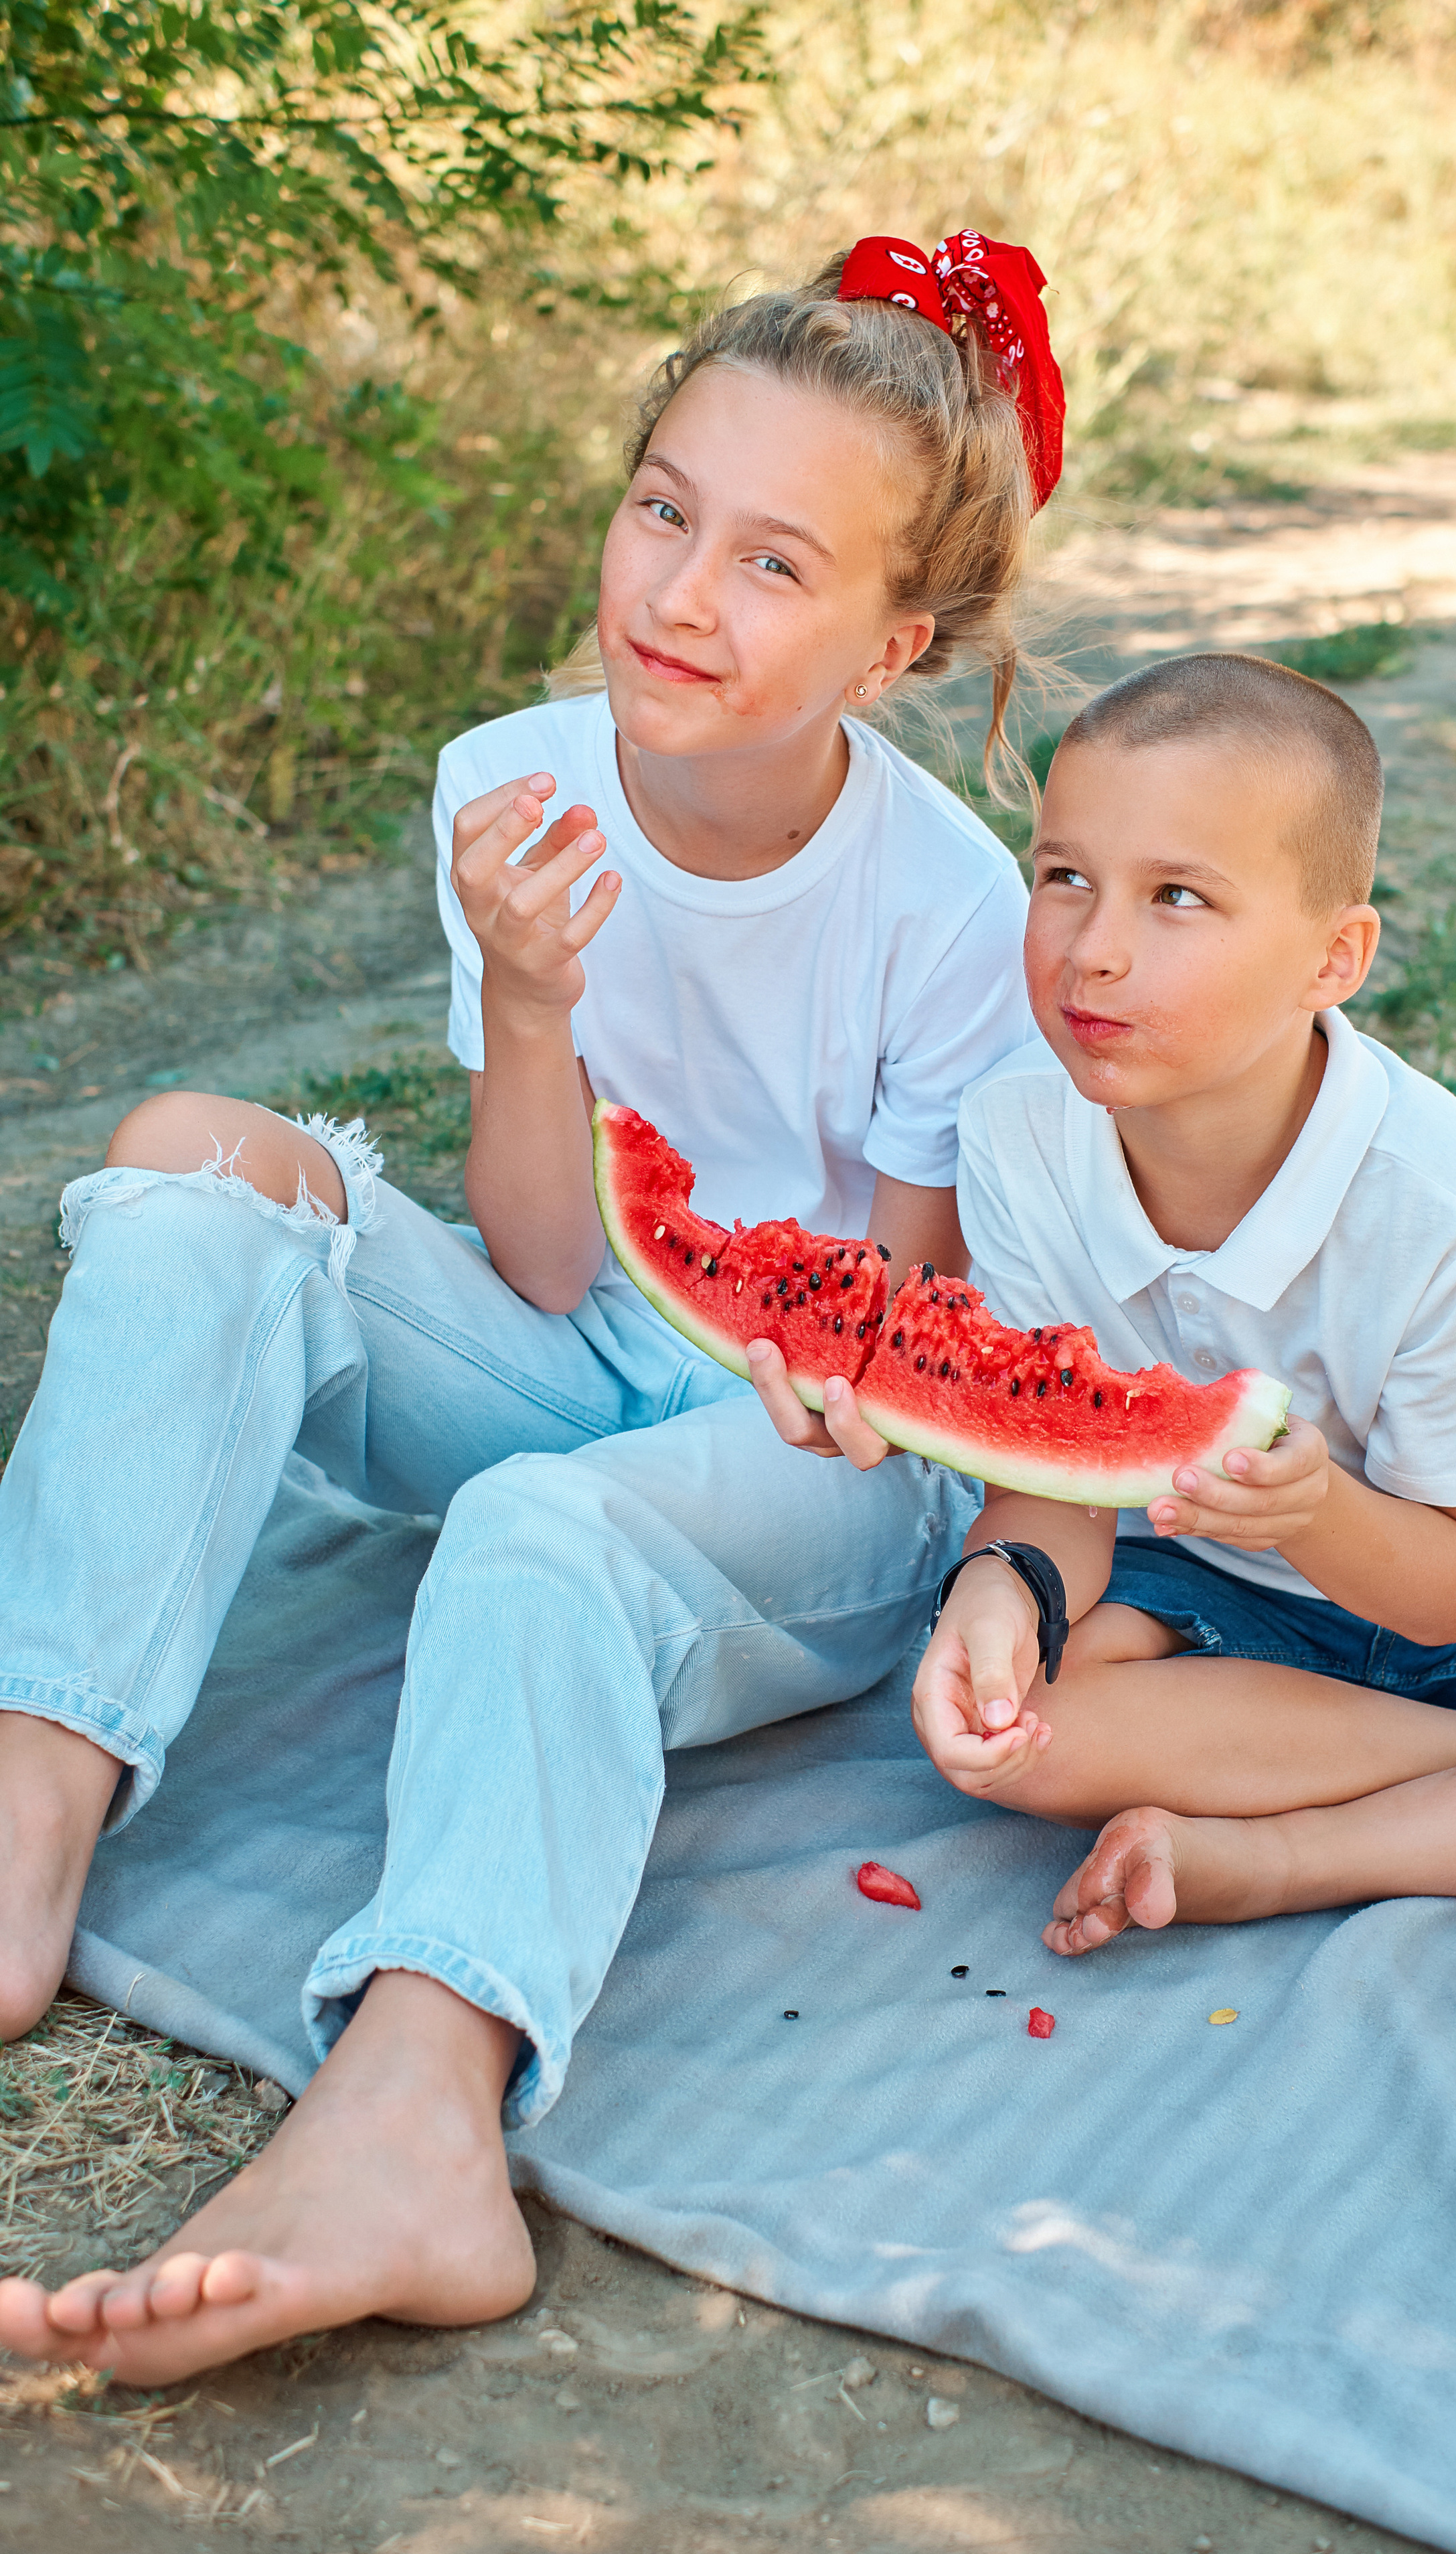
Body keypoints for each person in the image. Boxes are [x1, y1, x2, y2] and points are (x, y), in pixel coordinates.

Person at [0, 231, 1063, 2381]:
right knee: (189, 1165)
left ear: (893, 641)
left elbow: (903, 1343)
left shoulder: (952, 903)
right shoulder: (511, 775)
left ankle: (420, 2111)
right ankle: (28, 1824)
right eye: (665, 506)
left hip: (815, 1459)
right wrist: (534, 994)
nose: (679, 592)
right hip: (575, 1340)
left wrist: (827, 1386)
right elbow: (555, 1262)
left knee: (544, 1530)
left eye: (776, 565)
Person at [907, 651, 1456, 1953]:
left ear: (1330, 960)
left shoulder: (1444, 1205)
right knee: (1018, 1738)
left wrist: (1318, 1508)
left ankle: (1287, 1856)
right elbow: (1054, 1472)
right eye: (1063, 876)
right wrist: (1000, 1589)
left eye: (1176, 896)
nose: (1093, 950)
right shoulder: (1014, 1134)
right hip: (1209, 1592)